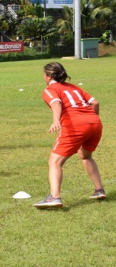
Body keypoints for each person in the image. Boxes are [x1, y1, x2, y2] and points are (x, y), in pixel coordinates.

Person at [33, 62, 105, 208]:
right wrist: (91, 120)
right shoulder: (74, 87)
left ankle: (54, 197)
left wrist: (55, 121)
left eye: (44, 74)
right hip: (95, 124)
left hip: (76, 126)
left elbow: (56, 103)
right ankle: (99, 190)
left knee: (55, 162)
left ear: (49, 76)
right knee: (86, 156)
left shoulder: (49, 89)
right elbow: (95, 103)